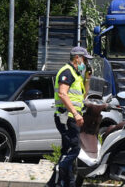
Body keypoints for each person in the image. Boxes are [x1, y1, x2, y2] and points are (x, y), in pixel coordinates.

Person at [47, 46, 92, 187]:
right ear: (77, 58)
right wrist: (76, 113)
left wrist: (87, 79)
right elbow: (62, 93)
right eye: (84, 59)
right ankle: (60, 171)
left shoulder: (77, 75)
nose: (86, 63)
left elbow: (83, 96)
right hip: (66, 117)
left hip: (71, 117)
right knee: (74, 149)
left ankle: (59, 183)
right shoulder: (67, 72)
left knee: (68, 150)